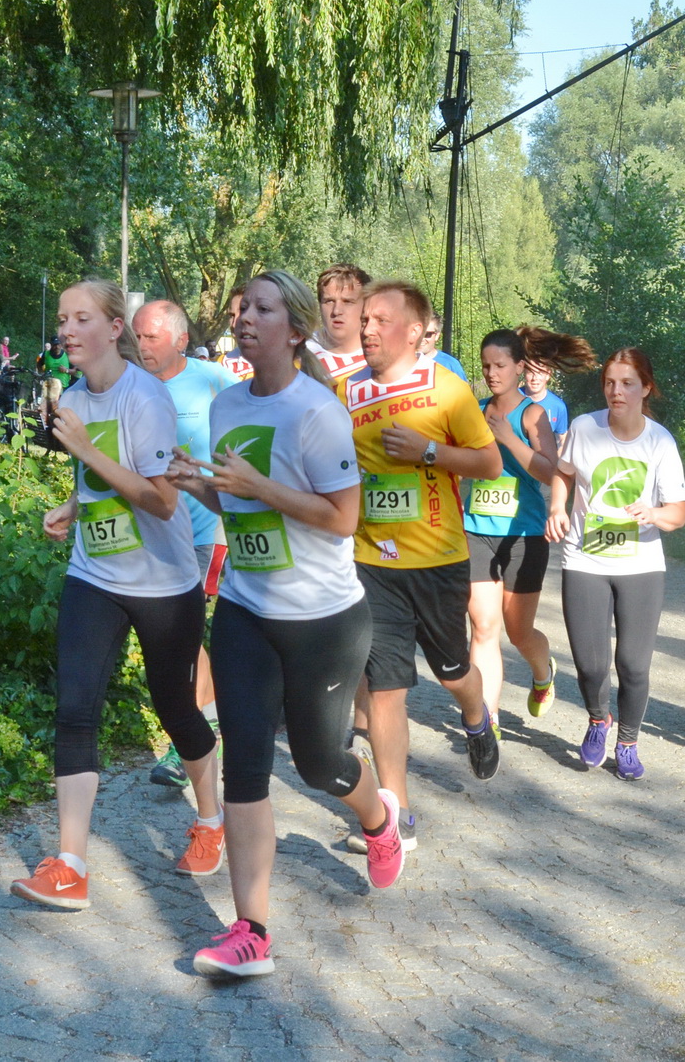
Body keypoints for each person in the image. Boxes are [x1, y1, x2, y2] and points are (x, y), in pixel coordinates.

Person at [167, 270, 403, 978]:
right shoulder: (226, 402)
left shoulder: (315, 413)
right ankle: (251, 931)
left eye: (263, 309)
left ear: (294, 329)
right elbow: (240, 503)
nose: (245, 316)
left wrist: (256, 485)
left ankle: (378, 817)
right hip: (244, 606)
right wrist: (199, 482)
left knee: (319, 763)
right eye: (244, 306)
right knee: (246, 762)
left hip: (322, 620)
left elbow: (344, 518)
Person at [10, 280, 221, 911]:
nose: (67, 330)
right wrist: (73, 507)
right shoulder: (75, 396)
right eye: (62, 319)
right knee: (75, 707)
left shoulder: (145, 396)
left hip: (163, 582)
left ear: (112, 329)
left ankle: (210, 820)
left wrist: (80, 450)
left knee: (177, 709)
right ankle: (70, 864)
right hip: (95, 575)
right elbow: (103, 477)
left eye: (81, 319)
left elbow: (161, 499)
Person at [339, 279, 502, 858]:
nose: (367, 329)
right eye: (365, 321)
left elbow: (488, 462)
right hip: (370, 563)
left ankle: (477, 717)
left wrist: (428, 453)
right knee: (386, 690)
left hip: (437, 560)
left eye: (381, 320)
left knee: (454, 673)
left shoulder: (446, 387)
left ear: (414, 331)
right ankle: (396, 813)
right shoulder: (343, 390)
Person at [547, 348, 685, 779]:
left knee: (632, 663)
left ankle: (627, 741)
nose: (616, 391)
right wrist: (557, 507)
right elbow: (563, 471)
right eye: (610, 382)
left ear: (646, 388)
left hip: (640, 564)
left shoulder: (659, 441)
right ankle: (597, 720)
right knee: (591, 664)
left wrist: (654, 514)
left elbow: (678, 513)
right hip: (584, 557)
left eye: (627, 383)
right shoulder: (584, 428)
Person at [465, 327, 597, 724]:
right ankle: (487, 722)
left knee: (518, 631)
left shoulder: (534, 414)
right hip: (477, 528)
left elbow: (550, 471)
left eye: (500, 365)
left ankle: (543, 673)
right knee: (483, 629)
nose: (491, 373)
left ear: (520, 367)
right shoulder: (476, 409)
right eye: (486, 366)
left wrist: (509, 438)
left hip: (524, 534)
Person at [133, 300, 240, 787]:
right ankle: (207, 720)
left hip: (200, 530)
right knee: (178, 638)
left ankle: (194, 736)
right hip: (148, 531)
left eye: (151, 337)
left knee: (184, 634)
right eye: (136, 337)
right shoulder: (131, 385)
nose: (141, 347)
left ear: (179, 339)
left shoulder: (213, 380)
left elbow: (244, 436)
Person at [312, 262, 371, 385]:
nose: (336, 311)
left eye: (347, 302)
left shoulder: (384, 355)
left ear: (366, 306)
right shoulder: (299, 353)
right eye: (329, 301)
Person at [522, 361, 571, 437]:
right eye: (530, 372)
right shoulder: (511, 399)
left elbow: (561, 439)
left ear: (548, 375)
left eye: (540, 372)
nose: (535, 378)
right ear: (524, 373)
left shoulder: (558, 406)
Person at [419, 310, 469, 382]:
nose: (421, 339)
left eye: (427, 334)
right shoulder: (400, 364)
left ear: (437, 336)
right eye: (418, 333)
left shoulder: (451, 365)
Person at [219, 286, 254, 381]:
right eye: (232, 315)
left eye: (243, 314)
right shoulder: (220, 367)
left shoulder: (293, 367)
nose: (234, 324)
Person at [38, 338, 71, 424]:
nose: (57, 347)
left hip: (63, 387)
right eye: (55, 345)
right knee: (46, 409)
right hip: (48, 385)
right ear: (51, 345)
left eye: (58, 344)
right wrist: (41, 373)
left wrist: (67, 370)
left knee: (57, 409)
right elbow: (39, 363)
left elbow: (77, 370)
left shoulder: (67, 354)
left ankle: (58, 426)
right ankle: (45, 426)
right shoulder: (46, 354)